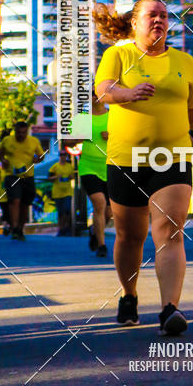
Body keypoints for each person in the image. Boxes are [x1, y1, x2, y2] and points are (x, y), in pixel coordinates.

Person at [94, 0, 193, 335]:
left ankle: (169, 308)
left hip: (172, 158)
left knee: (170, 231)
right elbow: (104, 90)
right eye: (151, 15)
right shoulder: (119, 55)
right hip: (125, 159)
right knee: (131, 236)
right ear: (134, 22)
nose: (158, 20)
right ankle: (129, 295)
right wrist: (127, 95)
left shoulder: (185, 61)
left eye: (163, 15)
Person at [66, 87, 112, 258]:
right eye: (93, 94)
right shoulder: (82, 119)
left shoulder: (114, 116)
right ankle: (102, 245)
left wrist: (113, 136)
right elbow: (67, 140)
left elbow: (128, 138)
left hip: (110, 166)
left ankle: (94, 230)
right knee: (99, 204)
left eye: (99, 93)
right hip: (88, 166)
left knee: (109, 212)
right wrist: (78, 137)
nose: (97, 97)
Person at [0, 121, 44, 240]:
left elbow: (41, 155)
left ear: (27, 131)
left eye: (24, 133)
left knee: (25, 204)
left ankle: (20, 228)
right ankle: (14, 228)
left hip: (28, 177)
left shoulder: (33, 141)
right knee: (15, 201)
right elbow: (0, 152)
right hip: (12, 176)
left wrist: (38, 159)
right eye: (18, 133)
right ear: (15, 131)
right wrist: (3, 160)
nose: (21, 135)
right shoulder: (7, 141)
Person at [48, 151, 75, 236]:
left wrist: (71, 177)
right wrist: (56, 177)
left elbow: (72, 176)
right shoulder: (55, 166)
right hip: (57, 192)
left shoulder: (70, 166)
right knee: (61, 212)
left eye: (64, 155)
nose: (62, 157)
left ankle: (66, 227)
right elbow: (49, 178)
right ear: (59, 156)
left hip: (67, 192)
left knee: (67, 210)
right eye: (61, 155)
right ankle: (61, 228)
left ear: (66, 156)